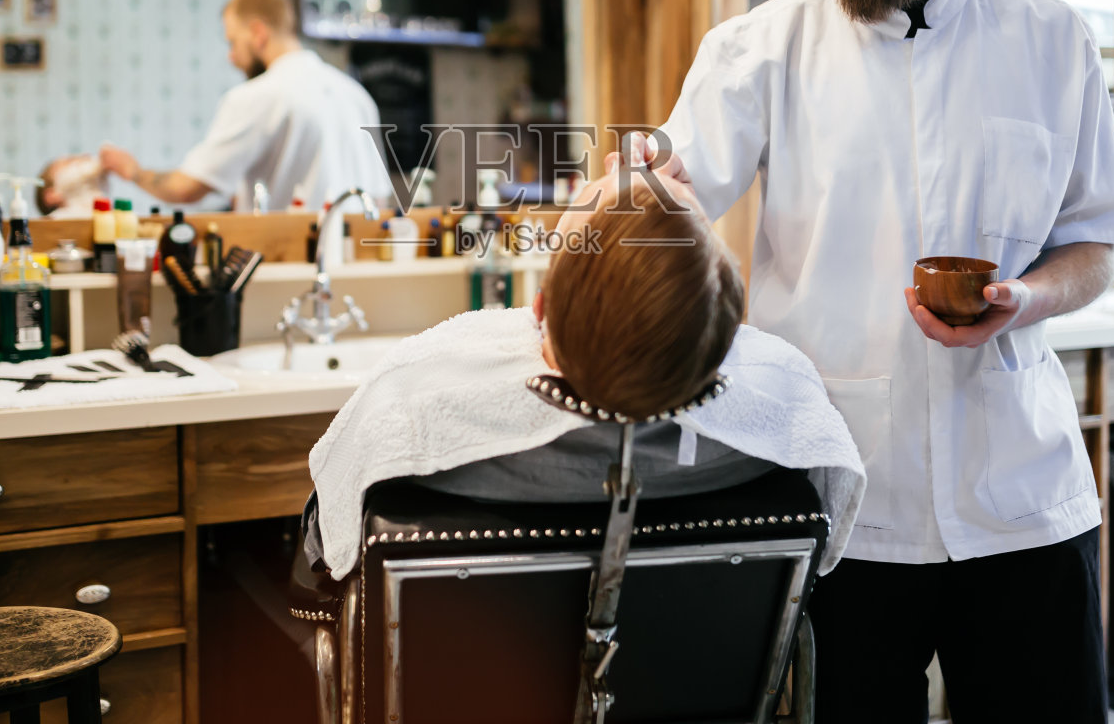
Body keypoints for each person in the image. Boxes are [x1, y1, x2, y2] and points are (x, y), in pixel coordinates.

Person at [649, 0, 1114, 724]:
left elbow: (1093, 244)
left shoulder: (1050, 41)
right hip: (842, 498)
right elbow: (667, 188)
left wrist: (1025, 299)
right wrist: (613, 204)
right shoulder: (760, 48)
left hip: (1020, 493)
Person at [304, 156, 866, 581]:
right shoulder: (772, 437)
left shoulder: (418, 416)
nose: (623, 170)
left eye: (596, 198)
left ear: (540, 308)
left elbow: (326, 541)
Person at [99, 0, 393, 211]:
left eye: (232, 42)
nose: (231, 56)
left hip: (289, 267)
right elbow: (379, 198)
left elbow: (186, 189)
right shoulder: (356, 95)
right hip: (358, 267)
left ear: (257, 33)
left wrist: (132, 171)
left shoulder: (257, 96)